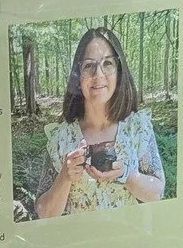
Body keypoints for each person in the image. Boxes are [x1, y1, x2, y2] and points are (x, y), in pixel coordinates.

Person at [35, 27, 167, 218]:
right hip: (80, 245)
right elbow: (43, 213)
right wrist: (65, 176)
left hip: (129, 244)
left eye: (107, 63)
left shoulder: (137, 129)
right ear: (78, 74)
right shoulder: (61, 138)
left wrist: (126, 175)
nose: (99, 74)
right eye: (89, 65)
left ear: (119, 71)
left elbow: (157, 193)